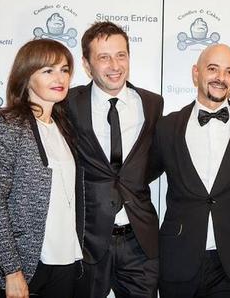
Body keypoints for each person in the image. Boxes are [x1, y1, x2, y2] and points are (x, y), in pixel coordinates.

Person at [0, 38, 84, 298]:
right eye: (48, 70)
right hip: (25, 263)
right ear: (26, 77)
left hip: (65, 259)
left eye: (65, 69)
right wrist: (12, 270)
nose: (60, 77)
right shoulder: (9, 124)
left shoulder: (64, 127)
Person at [149, 44, 230, 298]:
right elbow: (140, 178)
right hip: (179, 256)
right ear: (195, 73)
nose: (221, 78)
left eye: (229, 72)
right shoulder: (167, 127)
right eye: (213, 69)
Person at [66, 21, 163, 298]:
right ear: (86, 65)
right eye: (103, 57)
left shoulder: (153, 104)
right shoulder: (69, 104)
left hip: (140, 241)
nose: (114, 65)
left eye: (121, 55)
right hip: (87, 240)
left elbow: (152, 161)